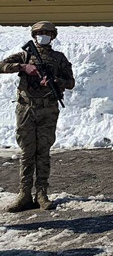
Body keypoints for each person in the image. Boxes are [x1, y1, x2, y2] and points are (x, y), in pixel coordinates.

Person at [0, 21, 74, 212]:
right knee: (27, 152)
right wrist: (23, 67)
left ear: (53, 36)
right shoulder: (25, 54)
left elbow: (71, 82)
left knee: (43, 152)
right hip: (26, 109)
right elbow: (1, 65)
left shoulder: (59, 58)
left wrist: (55, 81)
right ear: (34, 35)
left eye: (47, 33)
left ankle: (41, 193)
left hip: (47, 109)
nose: (44, 36)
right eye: (40, 33)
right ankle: (24, 194)